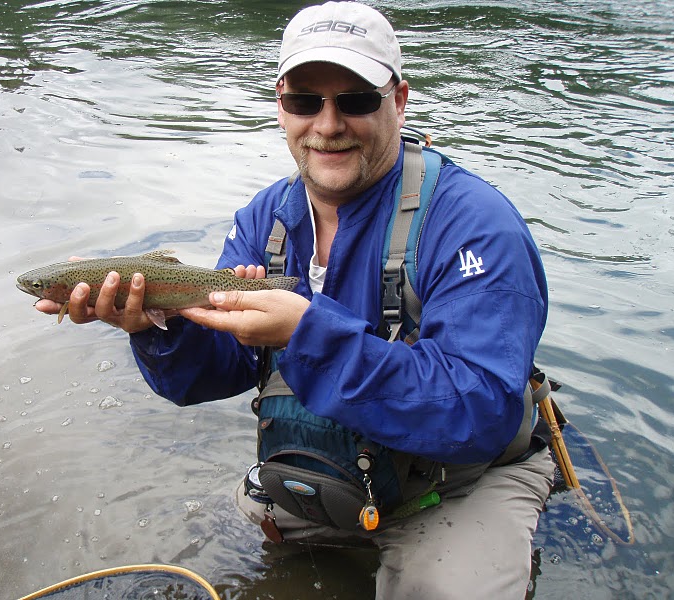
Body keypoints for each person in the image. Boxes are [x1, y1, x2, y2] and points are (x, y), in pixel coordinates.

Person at [35, 2, 554, 598]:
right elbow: (213, 372)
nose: (327, 125)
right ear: (280, 106)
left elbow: (478, 411)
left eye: (356, 100)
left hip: (460, 479)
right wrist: (154, 327)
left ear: (400, 101)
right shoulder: (266, 218)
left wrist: (305, 333)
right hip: (330, 465)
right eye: (306, 101)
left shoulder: (475, 226)